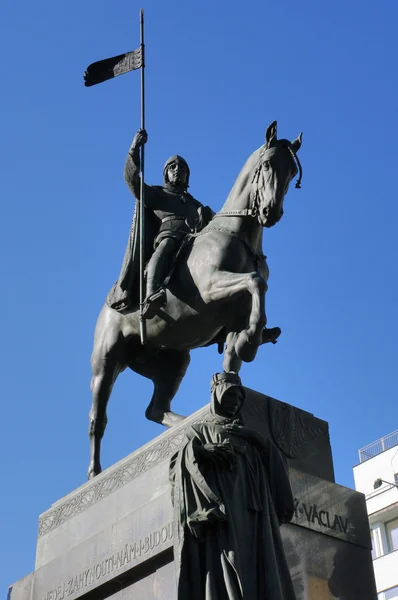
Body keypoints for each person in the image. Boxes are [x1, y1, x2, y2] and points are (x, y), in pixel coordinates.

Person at [169, 372, 297, 600]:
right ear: (217, 396)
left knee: (258, 560)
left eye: (239, 399)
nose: (235, 402)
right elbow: (177, 466)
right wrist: (201, 451)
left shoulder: (248, 435)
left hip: (254, 511)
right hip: (225, 509)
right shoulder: (199, 430)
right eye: (230, 397)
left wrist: (257, 439)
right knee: (230, 556)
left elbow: (274, 467)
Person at [106, 129, 214, 317]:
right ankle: (151, 295)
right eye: (173, 167)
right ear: (166, 174)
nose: (178, 170)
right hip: (170, 236)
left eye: (182, 168)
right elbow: (132, 180)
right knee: (165, 247)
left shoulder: (194, 203)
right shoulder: (158, 194)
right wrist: (134, 149)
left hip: (193, 240)